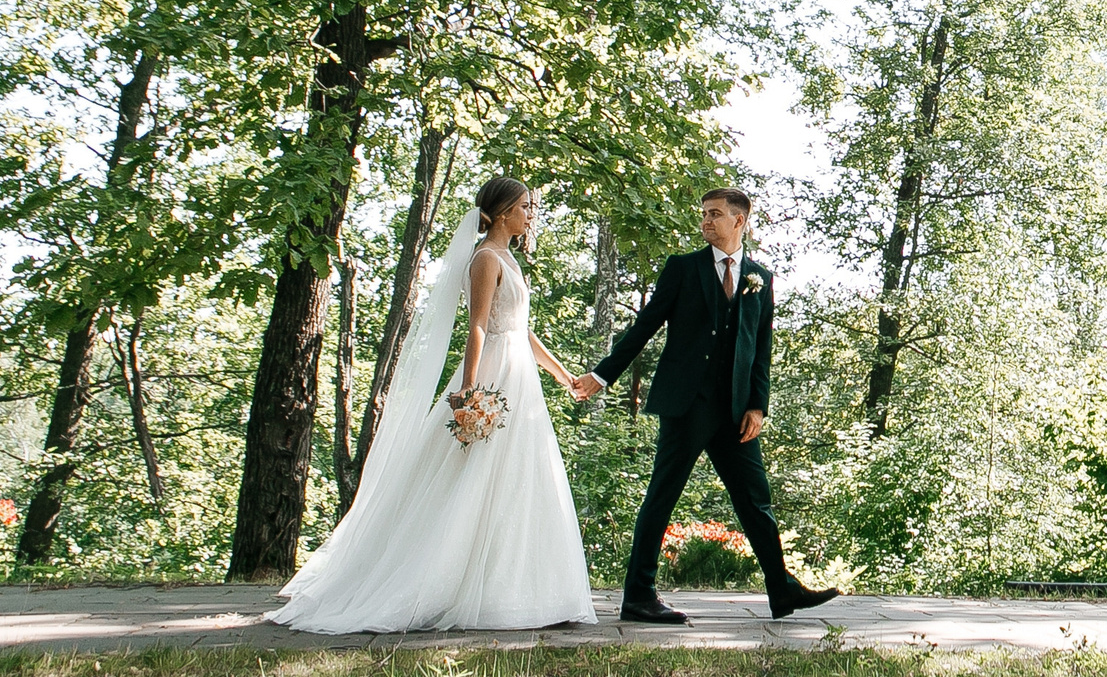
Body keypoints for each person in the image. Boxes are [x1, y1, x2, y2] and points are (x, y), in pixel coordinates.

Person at [268, 176, 596, 633]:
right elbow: (478, 326)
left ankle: (516, 590)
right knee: (472, 477)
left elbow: (523, 329)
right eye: (524, 206)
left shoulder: (509, 260)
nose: (530, 213)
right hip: (494, 375)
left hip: (521, 378)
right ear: (502, 213)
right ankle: (443, 583)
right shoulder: (484, 259)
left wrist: (564, 376)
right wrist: (469, 390)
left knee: (521, 475)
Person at [574, 186, 839, 624]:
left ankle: (782, 589)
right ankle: (638, 594)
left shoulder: (761, 278)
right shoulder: (683, 269)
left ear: (740, 221)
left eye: (715, 214)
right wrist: (602, 376)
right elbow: (644, 327)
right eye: (703, 214)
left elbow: (761, 348)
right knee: (662, 495)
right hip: (687, 404)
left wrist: (758, 404)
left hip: (736, 411)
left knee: (756, 499)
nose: (705, 222)